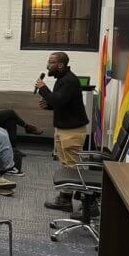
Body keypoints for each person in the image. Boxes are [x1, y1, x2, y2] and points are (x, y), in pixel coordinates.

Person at [36, 51, 89, 211]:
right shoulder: (62, 79)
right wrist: (50, 105)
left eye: (51, 62)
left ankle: (88, 203)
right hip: (64, 129)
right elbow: (62, 103)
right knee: (66, 164)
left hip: (72, 131)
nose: (47, 66)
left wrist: (43, 89)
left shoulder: (69, 81)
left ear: (60, 64)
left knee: (72, 166)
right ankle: (65, 199)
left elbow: (58, 99)